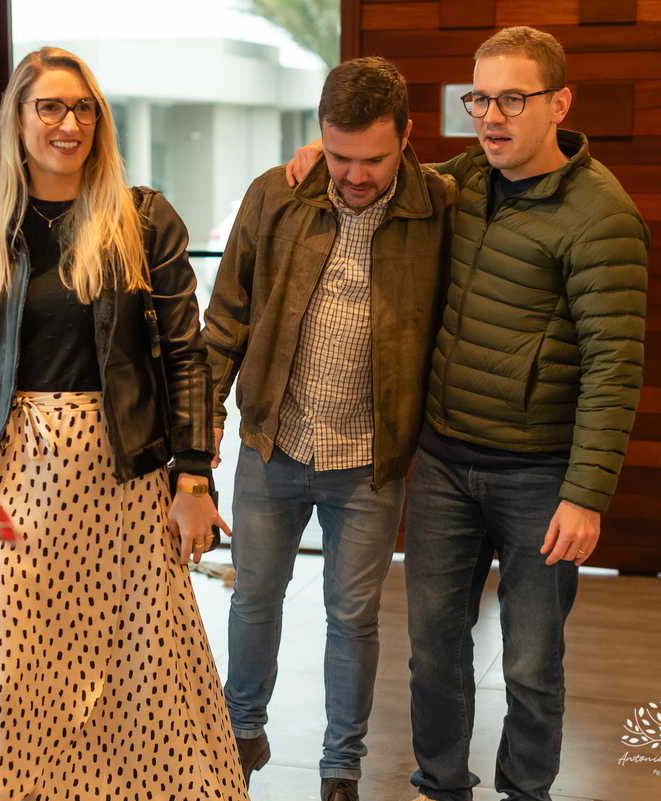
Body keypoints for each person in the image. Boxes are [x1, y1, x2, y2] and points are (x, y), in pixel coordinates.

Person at [287, 27, 649, 801]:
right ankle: (442, 784)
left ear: (560, 103)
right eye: (479, 98)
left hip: (540, 476)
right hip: (447, 461)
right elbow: (386, 168)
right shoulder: (467, 180)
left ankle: (526, 790)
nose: (491, 116)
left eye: (512, 99)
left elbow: (615, 366)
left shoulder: (602, 215)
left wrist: (586, 494)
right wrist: (325, 154)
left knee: (531, 660)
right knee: (434, 652)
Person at [0, 47, 248, 800]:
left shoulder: (143, 219)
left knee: (140, 675)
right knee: (9, 675)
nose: (69, 124)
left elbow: (186, 355)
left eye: (84, 109)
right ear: (18, 118)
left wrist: (194, 480)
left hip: (122, 475)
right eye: (51, 107)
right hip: (11, 477)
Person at [202, 57, 453, 801]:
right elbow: (226, 320)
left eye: (373, 158)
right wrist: (202, 426)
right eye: (339, 155)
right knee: (254, 597)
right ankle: (240, 732)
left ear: (407, 137)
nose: (353, 175)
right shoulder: (275, 194)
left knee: (352, 617)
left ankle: (341, 766)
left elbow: (496, 163)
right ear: (320, 134)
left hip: (370, 459)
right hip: (273, 443)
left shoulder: (439, 206)